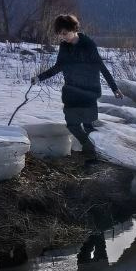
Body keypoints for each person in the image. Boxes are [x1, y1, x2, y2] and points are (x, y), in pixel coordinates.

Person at [33, 13, 120, 163]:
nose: (62, 37)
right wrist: (39, 77)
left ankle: (97, 155)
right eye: (60, 34)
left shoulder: (88, 45)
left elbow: (101, 66)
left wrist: (114, 88)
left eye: (64, 33)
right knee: (72, 124)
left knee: (88, 125)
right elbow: (59, 66)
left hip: (88, 92)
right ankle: (90, 148)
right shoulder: (64, 46)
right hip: (71, 92)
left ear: (73, 29)